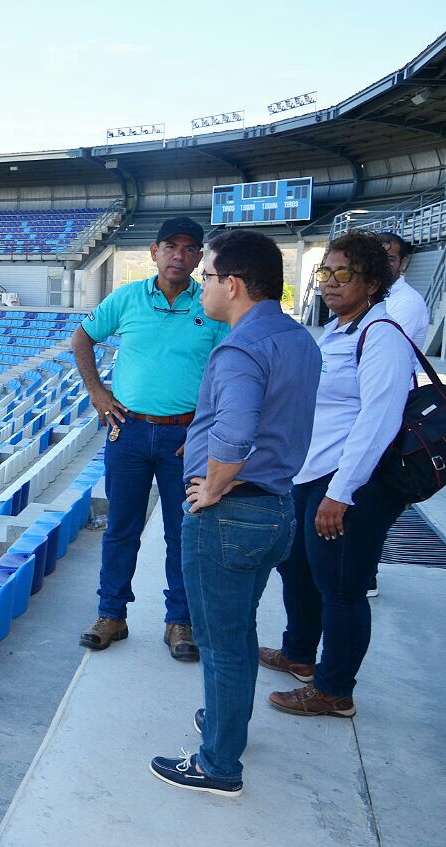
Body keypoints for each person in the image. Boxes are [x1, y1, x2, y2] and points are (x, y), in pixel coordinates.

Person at [149, 230, 320, 797]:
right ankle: (228, 727)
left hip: (232, 515)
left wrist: (213, 487)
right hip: (276, 508)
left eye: (208, 278)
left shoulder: (240, 347)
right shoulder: (298, 339)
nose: (201, 288)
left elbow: (238, 430)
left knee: (221, 643)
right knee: (239, 633)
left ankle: (218, 764)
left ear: (235, 284)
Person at [261, 229, 412, 718]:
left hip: (349, 482)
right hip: (311, 473)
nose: (328, 282)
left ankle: (334, 689)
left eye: (340, 273)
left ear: (371, 281)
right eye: (323, 272)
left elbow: (379, 421)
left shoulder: (382, 334)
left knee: (341, 587)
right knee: (297, 568)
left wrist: (341, 493)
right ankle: (299, 654)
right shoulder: (340, 330)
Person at [72, 217, 230, 660]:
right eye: (170, 246)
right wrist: (97, 392)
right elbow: (80, 339)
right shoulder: (125, 298)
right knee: (121, 528)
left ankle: (179, 622)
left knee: (184, 532)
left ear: (200, 258)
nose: (179, 255)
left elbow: (230, 369)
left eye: (189, 248)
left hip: (186, 436)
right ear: (155, 252)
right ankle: (111, 615)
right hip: (129, 431)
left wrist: (208, 426)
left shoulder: (213, 306)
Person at [369, 232, 427, 597]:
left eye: (389, 258)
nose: (382, 263)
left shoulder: (404, 303)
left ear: (403, 263)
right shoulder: (376, 298)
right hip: (372, 410)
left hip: (389, 413)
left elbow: (376, 359)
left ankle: (365, 572)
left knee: (374, 493)